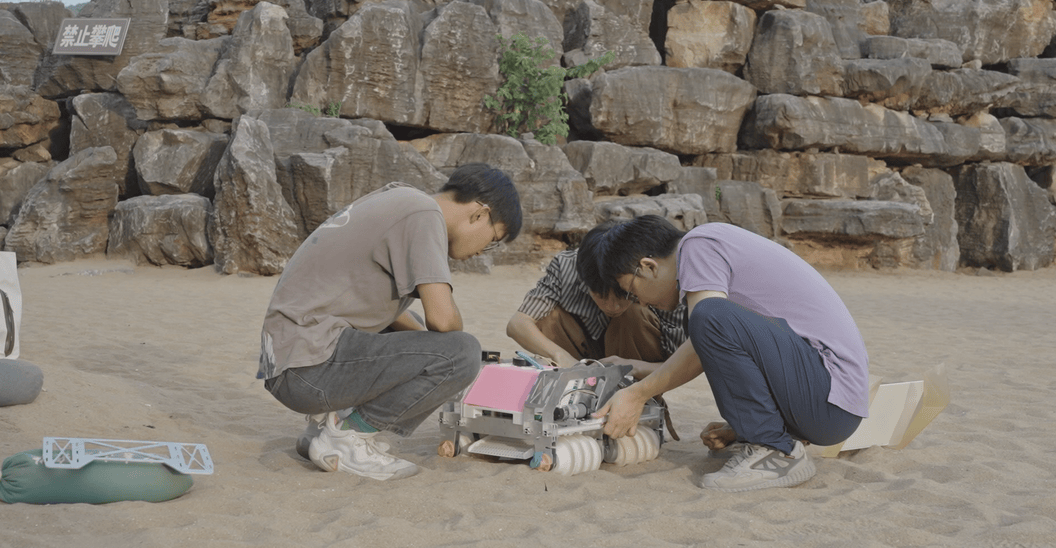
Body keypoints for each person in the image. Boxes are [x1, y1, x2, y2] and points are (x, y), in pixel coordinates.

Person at [258, 163, 522, 481]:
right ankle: (348, 437)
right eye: (492, 240)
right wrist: (450, 362)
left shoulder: (402, 200)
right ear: (479, 213)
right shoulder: (424, 215)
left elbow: (392, 316)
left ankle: (322, 430)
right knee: (464, 352)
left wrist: (429, 356)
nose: (483, 252)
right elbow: (443, 320)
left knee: (436, 348)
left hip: (290, 361)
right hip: (308, 365)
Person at [578, 215, 869, 492]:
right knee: (709, 319)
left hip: (830, 399)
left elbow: (709, 329)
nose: (638, 301)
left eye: (631, 291)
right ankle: (768, 436)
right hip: (829, 403)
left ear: (649, 267)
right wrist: (742, 425)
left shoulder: (698, 246)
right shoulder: (713, 243)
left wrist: (636, 394)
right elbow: (715, 344)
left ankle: (776, 453)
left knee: (708, 316)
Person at [505, 243, 687, 380]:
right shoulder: (567, 266)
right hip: (578, 361)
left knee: (634, 314)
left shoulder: (656, 280)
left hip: (638, 369)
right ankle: (571, 388)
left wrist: (635, 367)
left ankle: (636, 395)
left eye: (623, 295)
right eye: (601, 296)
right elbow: (517, 324)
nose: (613, 306)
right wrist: (561, 357)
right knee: (547, 317)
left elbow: (685, 364)